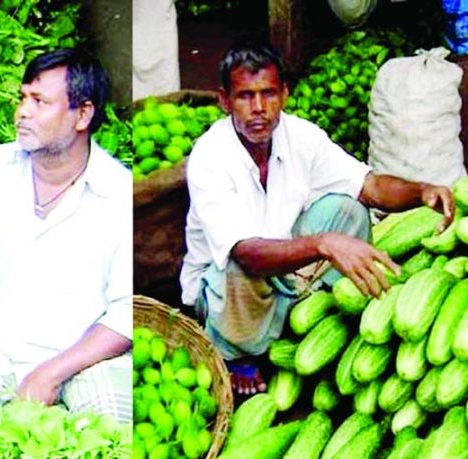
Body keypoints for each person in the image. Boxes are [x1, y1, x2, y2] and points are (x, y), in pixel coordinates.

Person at [180, 38, 454, 394]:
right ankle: (237, 353)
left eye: (269, 93)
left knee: (348, 209)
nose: (259, 107)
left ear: (285, 94)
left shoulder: (301, 136)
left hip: (285, 262)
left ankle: (304, 313)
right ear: (224, 100)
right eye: (246, 96)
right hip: (226, 284)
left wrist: (420, 191)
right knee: (240, 265)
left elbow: (368, 186)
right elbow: (245, 252)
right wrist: (324, 244)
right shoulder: (209, 157)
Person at [0, 48, 133, 424]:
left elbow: (125, 313)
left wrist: (52, 372)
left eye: (40, 101)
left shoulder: (118, 194)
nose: (22, 112)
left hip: (85, 360)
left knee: (113, 429)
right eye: (22, 98)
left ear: (83, 114)